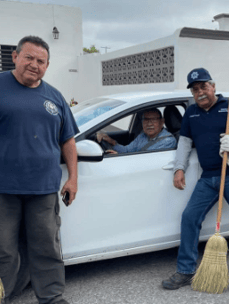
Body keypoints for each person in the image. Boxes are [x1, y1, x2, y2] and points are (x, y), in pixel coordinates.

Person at [161, 68, 229, 291]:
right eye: (195, 89)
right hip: (209, 177)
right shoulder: (191, 114)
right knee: (189, 217)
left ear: (213, 86)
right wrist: (179, 169)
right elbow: (185, 143)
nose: (200, 92)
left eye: (204, 87)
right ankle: (186, 270)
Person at [0, 36, 79, 304]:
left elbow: (68, 140)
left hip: (43, 188)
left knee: (47, 246)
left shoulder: (54, 97)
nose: (34, 65)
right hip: (3, 188)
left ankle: (51, 297)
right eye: (29, 58)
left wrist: (73, 179)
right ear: (16, 57)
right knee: (3, 250)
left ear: (47, 66)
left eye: (41, 61)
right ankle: (3, 295)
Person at [97, 108, 176, 153]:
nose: (149, 123)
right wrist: (112, 141)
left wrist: (119, 157)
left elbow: (145, 160)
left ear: (162, 122)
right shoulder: (143, 135)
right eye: (146, 119)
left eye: (153, 119)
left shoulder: (168, 141)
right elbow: (127, 150)